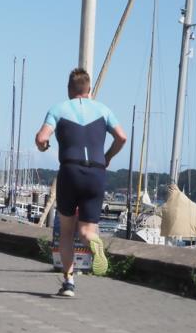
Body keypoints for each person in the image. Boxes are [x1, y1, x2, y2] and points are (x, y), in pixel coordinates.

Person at [35, 68, 127, 298]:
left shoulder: (58, 109)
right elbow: (122, 137)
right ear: (89, 90)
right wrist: (108, 157)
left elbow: (41, 138)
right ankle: (94, 240)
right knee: (86, 230)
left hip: (70, 170)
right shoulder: (103, 110)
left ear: (69, 89)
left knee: (66, 231)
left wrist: (43, 146)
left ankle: (69, 283)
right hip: (96, 173)